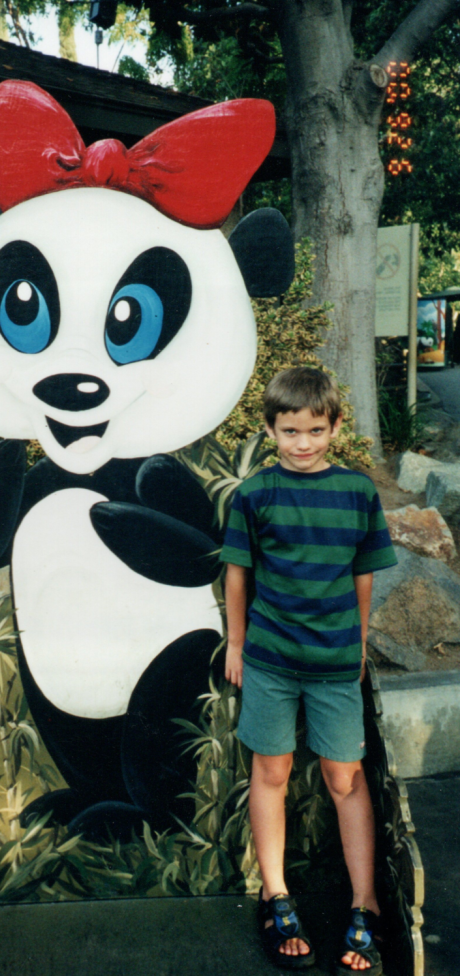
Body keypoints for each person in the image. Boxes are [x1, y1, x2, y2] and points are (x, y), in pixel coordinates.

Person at [220, 366, 396, 974]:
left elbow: (363, 574)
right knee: (271, 770)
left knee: (344, 776)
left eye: (315, 430)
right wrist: (236, 643)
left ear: (335, 426)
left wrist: (360, 640)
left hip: (334, 663)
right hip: (271, 660)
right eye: (290, 431)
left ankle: (366, 902)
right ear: (270, 429)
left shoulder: (357, 491)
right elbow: (238, 572)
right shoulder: (255, 494)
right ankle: (275, 895)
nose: (303, 443)